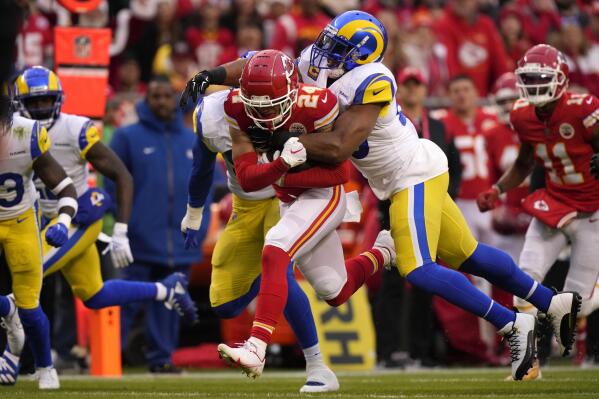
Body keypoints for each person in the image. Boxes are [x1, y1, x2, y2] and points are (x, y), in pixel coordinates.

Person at [181, 11, 581, 381]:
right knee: (468, 255)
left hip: (412, 174)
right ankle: (552, 301)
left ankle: (512, 324)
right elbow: (261, 65)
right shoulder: (316, 63)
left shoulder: (372, 80)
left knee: (418, 269)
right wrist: (213, 73)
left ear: (363, 55)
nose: (325, 52)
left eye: (339, 48)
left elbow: (339, 147)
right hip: (397, 179)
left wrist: (281, 140)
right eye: (329, 41)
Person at [214, 50, 396, 378]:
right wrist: (283, 165)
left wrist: (286, 163)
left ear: (292, 91)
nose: (264, 113)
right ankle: (384, 252)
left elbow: (340, 173)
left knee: (275, 246)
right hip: (290, 197)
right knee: (334, 290)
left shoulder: (319, 105)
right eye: (257, 104)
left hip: (325, 194)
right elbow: (246, 179)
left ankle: (256, 346)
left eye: (271, 104)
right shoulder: (237, 109)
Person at [7, 66, 198, 365]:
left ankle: (11, 356)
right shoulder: (16, 130)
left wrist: (120, 231)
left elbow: (122, 175)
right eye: (34, 103)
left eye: (47, 101)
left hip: (78, 216)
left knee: (27, 276)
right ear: (19, 104)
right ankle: (165, 289)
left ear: (58, 100)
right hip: (38, 218)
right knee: (94, 294)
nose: (42, 108)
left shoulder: (75, 129)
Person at [181, 85, 339, 392]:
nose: (260, 108)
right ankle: (267, 279)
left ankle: (317, 365)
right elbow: (204, 168)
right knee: (224, 303)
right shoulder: (214, 115)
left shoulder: (296, 103)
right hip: (246, 200)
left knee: (278, 266)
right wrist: (194, 213)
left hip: (288, 197)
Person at [477, 43, 599, 336]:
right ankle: (529, 362)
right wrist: (498, 188)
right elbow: (524, 162)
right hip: (554, 203)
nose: (533, 85)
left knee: (576, 307)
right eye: (528, 78)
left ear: (561, 79)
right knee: (522, 284)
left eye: (540, 78)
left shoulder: (584, 109)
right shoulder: (521, 114)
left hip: (591, 210)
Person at [109, 75, 206, 373]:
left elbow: (208, 188)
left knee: (171, 304)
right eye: (156, 96)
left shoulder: (194, 139)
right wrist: (126, 225)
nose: (162, 102)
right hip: (140, 239)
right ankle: (106, 358)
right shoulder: (126, 137)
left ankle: (161, 360)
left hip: (181, 241)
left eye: (167, 96)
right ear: (146, 100)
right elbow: (112, 184)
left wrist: (199, 232)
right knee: (126, 300)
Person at [0, 85, 78, 389]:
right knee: (17, 306)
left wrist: (62, 219)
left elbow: (66, 188)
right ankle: (9, 314)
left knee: (30, 305)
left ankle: (46, 367)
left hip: (20, 221)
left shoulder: (27, 133)